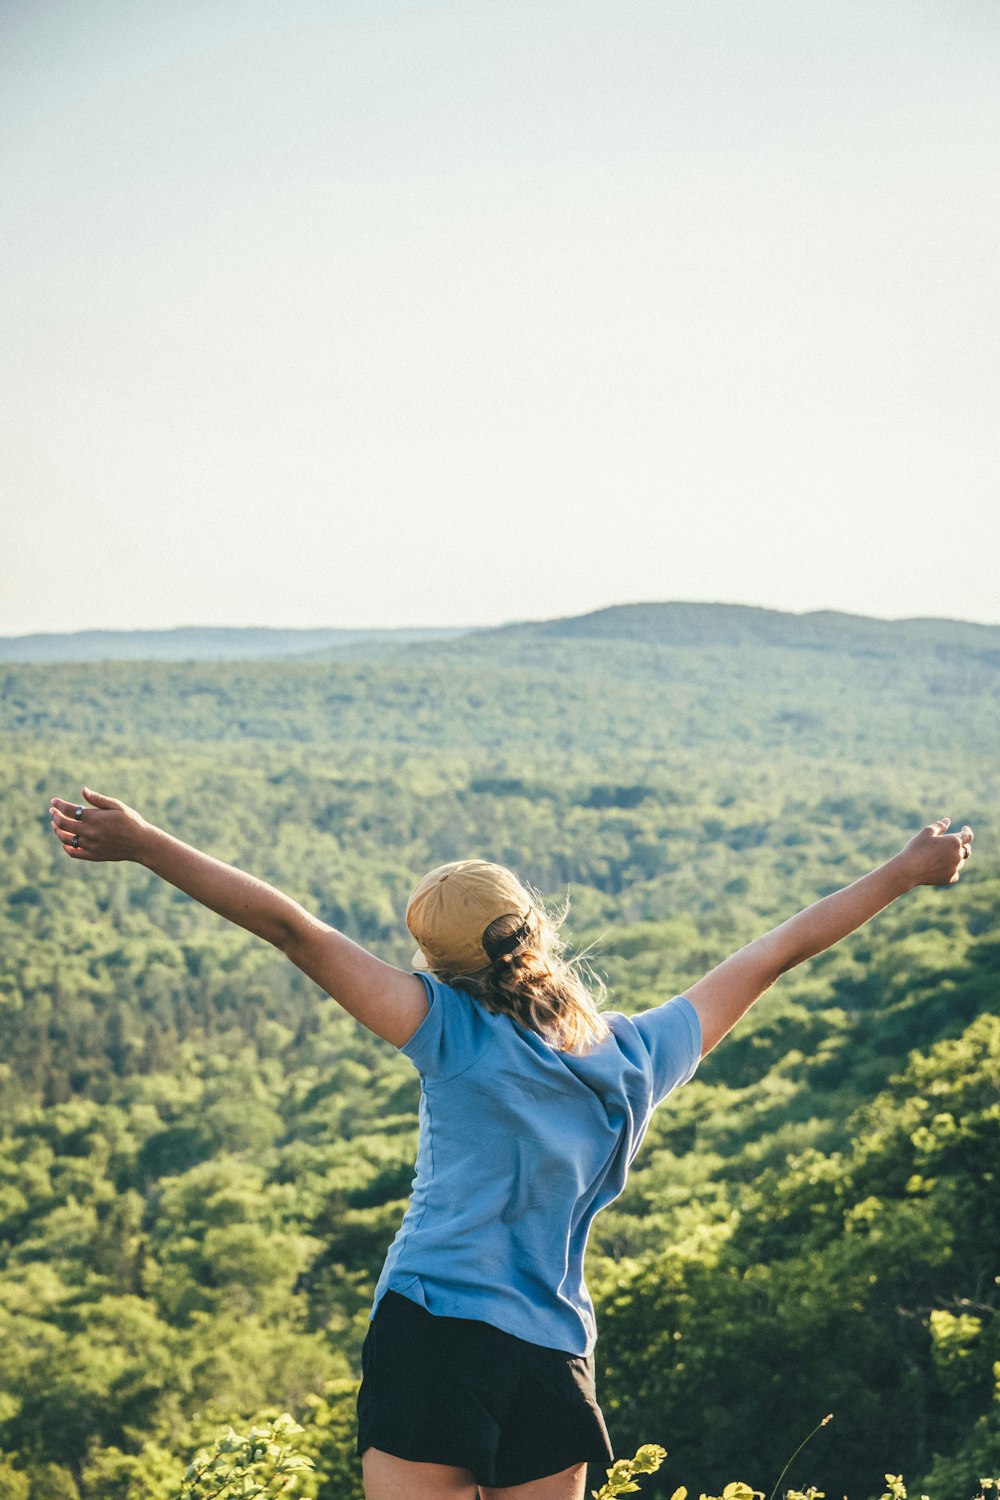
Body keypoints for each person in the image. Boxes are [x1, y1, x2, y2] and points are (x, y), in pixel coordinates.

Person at [48, 790, 974, 1500]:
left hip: (436, 1329)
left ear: (440, 965)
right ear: (539, 929)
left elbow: (296, 929)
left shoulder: (448, 1030)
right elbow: (771, 953)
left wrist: (146, 844)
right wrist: (902, 871)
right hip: (554, 1354)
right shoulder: (637, 1054)